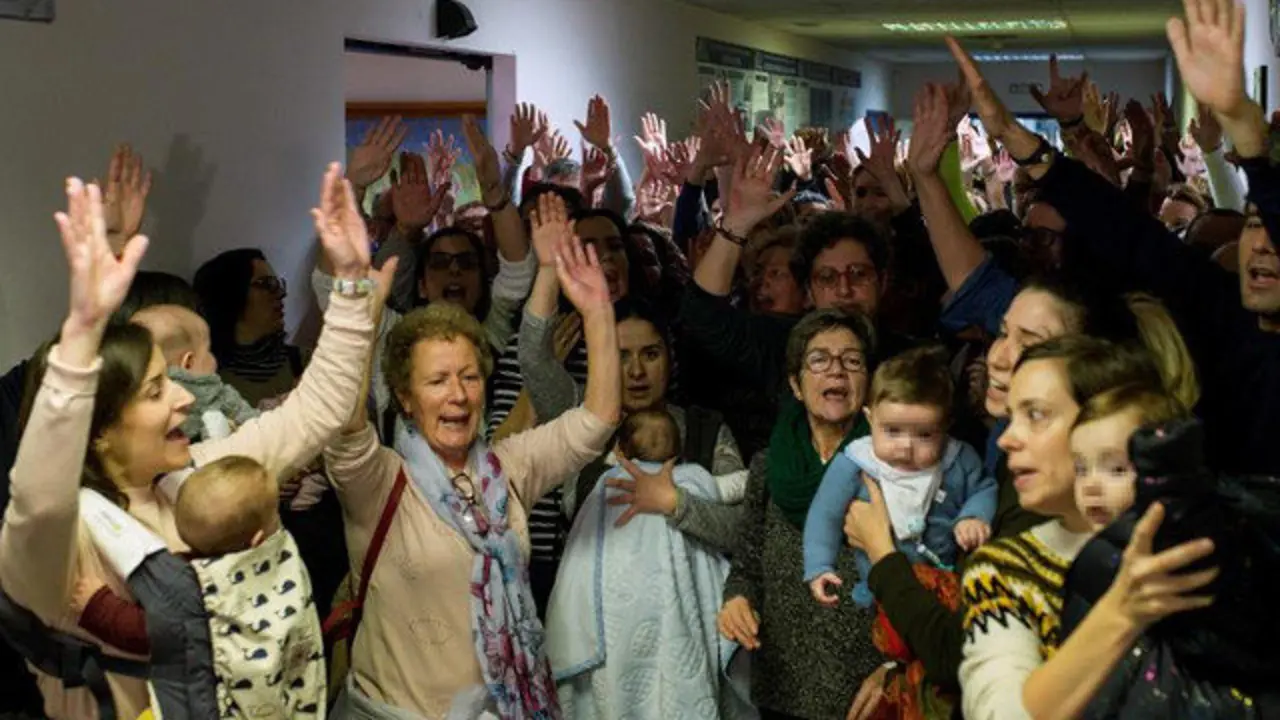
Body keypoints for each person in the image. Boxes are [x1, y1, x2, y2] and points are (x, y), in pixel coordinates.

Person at [0, 165, 380, 719]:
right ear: (100, 426)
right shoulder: (60, 539)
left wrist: (349, 282)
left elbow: (317, 409)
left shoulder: (201, 478)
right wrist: (83, 329)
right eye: (157, 390)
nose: (184, 400)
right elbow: (37, 491)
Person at [323, 228, 621, 718]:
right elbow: (344, 426)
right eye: (437, 381)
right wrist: (367, 317)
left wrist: (597, 312)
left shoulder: (508, 467)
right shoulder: (379, 481)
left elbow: (598, 418)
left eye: (469, 377)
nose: (457, 395)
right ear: (405, 396)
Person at [958, 336, 1215, 720]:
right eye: (1011, 417)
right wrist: (1122, 612)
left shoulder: (1204, 541)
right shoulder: (1005, 569)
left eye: (1036, 414)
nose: (1008, 438)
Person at [713, 309, 884, 719]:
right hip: (782, 692)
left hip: (870, 695)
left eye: (852, 360)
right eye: (820, 360)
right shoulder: (769, 467)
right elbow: (748, 565)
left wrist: (895, 667)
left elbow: (931, 581)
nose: (837, 372)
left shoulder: (896, 468)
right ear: (796, 383)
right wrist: (737, 599)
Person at [71, 455, 325, 717]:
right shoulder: (286, 557)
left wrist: (98, 606)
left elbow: (152, 632)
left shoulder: (199, 588)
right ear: (258, 540)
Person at [545, 410, 748, 719]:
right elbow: (735, 486)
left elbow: (577, 553)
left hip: (615, 617)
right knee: (684, 678)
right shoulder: (692, 479)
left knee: (614, 687)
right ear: (677, 454)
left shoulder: (605, 484)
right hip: (681, 611)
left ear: (619, 451)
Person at [804, 346, 993, 610]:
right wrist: (819, 565)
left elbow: (984, 488)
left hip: (945, 583)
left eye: (925, 435)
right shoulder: (855, 463)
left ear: (946, 426)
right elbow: (824, 514)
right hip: (878, 585)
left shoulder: (958, 460)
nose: (905, 447)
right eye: (892, 431)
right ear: (870, 419)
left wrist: (974, 516)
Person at [193, 247, 301, 409]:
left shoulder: (302, 362)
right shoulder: (206, 377)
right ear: (231, 294)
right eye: (266, 284)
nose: (280, 293)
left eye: (278, 284)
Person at [131, 304, 257, 442]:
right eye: (209, 351)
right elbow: (256, 427)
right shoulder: (217, 394)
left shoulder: (136, 401)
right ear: (189, 362)